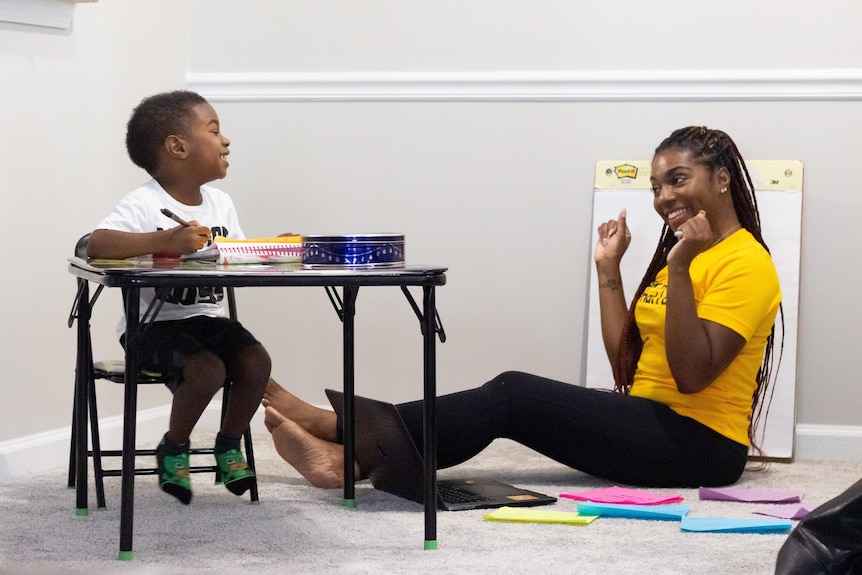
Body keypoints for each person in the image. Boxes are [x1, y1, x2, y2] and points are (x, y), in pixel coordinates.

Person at [262, 125, 782, 489]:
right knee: (511, 404)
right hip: (653, 422)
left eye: (677, 179)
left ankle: (342, 437)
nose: (664, 197)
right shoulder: (687, 257)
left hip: (701, 447)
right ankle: (349, 451)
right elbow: (627, 366)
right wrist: (608, 271)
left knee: (514, 393)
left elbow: (691, 378)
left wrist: (683, 268)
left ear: (721, 179)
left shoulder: (744, 263)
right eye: (655, 186)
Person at [88, 90, 270, 504]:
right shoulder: (144, 202)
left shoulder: (221, 204)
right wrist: (168, 239)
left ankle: (228, 444)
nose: (226, 141)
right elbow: (97, 242)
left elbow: (236, 257)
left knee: (256, 362)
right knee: (207, 371)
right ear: (178, 146)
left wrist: (264, 252)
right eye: (215, 130)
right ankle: (174, 446)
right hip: (153, 327)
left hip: (209, 320)